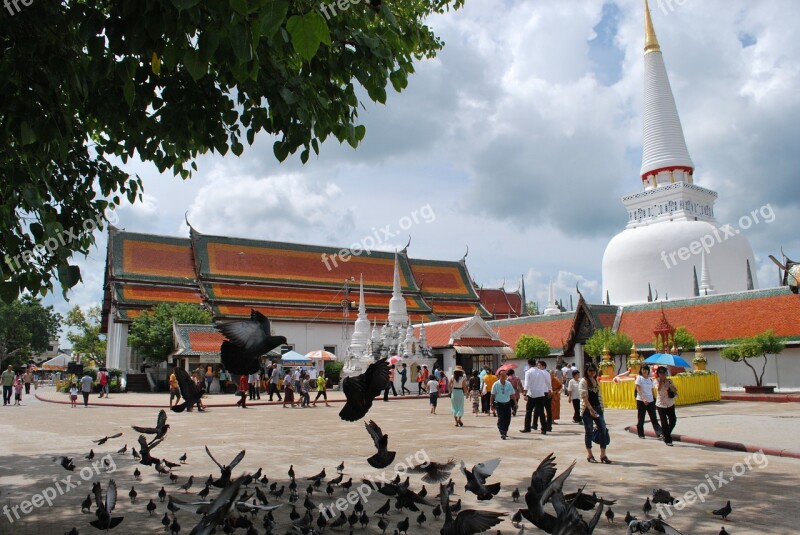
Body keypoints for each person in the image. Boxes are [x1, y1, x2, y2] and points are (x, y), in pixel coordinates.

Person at [580, 363, 611, 463]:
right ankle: (589, 454)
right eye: (590, 370)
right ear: (586, 371)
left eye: (593, 370)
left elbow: (598, 395)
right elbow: (584, 397)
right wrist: (590, 409)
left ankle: (603, 455)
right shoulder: (583, 381)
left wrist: (600, 409)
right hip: (587, 409)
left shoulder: (596, 380)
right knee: (588, 431)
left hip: (597, 407)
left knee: (603, 430)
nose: (592, 372)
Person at [520, 358, 550, 434]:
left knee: (529, 411)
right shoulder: (541, 372)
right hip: (541, 393)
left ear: (528, 364)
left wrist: (525, 393)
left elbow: (526, 384)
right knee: (541, 412)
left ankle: (527, 428)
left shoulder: (528, 372)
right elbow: (547, 381)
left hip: (532, 394)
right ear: (536, 364)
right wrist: (549, 389)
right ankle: (544, 429)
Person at [635, 365, 663, 439]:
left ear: (648, 371)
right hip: (641, 401)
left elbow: (651, 390)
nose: (645, 371)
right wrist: (643, 399)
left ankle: (659, 433)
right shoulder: (639, 378)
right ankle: (641, 434)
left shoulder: (650, 380)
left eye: (646, 370)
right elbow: (638, 389)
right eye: (643, 369)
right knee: (641, 418)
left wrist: (654, 399)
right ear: (641, 370)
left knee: (654, 417)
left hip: (650, 401)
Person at [654, 366, 678, 446]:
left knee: (673, 421)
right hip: (661, 404)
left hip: (670, 403)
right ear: (658, 374)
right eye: (660, 372)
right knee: (664, 423)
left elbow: (675, 390)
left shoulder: (669, 380)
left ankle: (665, 433)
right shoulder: (656, 381)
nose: (662, 374)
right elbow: (659, 389)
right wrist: (661, 381)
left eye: (664, 372)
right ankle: (668, 440)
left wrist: (670, 385)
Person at [490, 369, 515, 439]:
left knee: (507, 419)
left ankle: (505, 431)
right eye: (502, 375)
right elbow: (492, 395)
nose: (504, 377)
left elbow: (512, 394)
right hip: (499, 404)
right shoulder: (495, 384)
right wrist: (491, 404)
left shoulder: (509, 384)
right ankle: (502, 432)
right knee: (501, 418)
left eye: (505, 375)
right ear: (499, 376)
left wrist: (515, 403)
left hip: (507, 403)